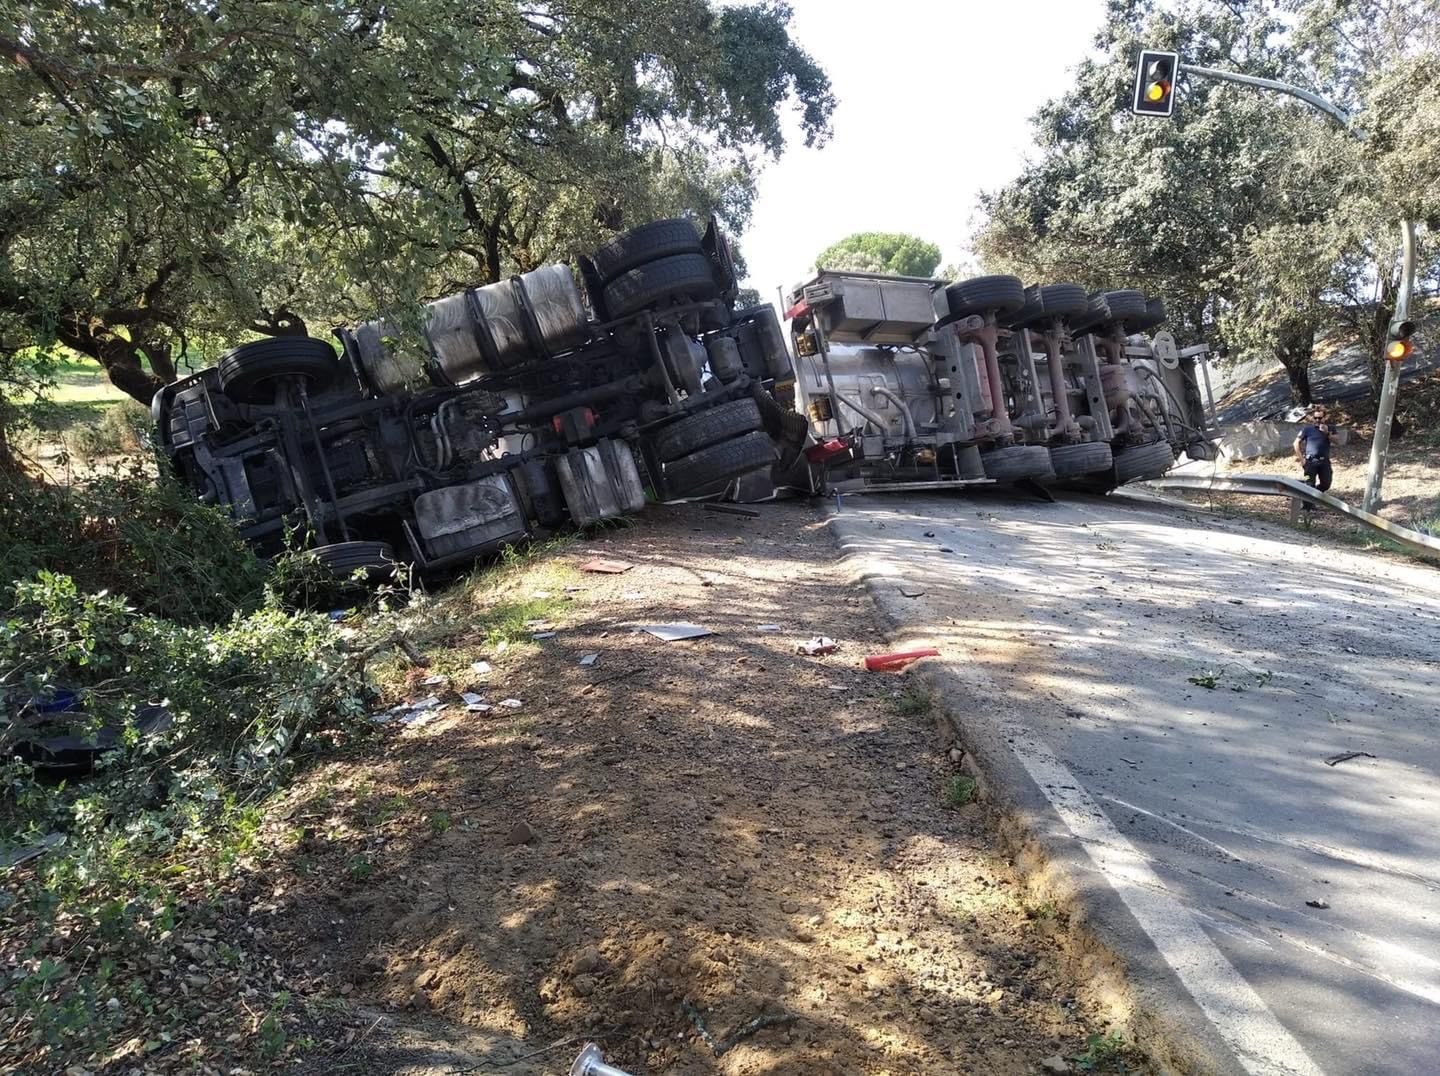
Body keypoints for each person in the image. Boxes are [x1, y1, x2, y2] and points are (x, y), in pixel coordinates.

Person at [1293, 419, 1333, 492]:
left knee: (1326, 484)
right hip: (1309, 462)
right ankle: (1308, 502)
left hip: (1324, 462)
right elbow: (1296, 443)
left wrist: (1327, 433)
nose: (1317, 420)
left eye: (1320, 418)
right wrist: (1302, 460)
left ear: (1325, 417)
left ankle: (1315, 494)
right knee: (1308, 484)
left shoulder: (1330, 428)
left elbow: (1338, 441)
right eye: (1315, 418)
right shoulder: (1307, 429)